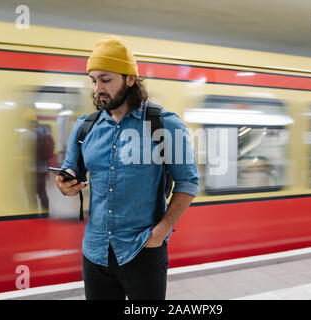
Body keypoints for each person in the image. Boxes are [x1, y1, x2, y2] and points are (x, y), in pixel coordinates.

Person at [55, 36, 200, 300]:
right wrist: (66, 184)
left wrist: (160, 233)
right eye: (94, 80)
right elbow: (70, 176)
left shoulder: (164, 124)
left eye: (106, 79)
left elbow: (188, 183)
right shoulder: (85, 127)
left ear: (130, 79)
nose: (98, 88)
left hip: (143, 251)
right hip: (95, 252)